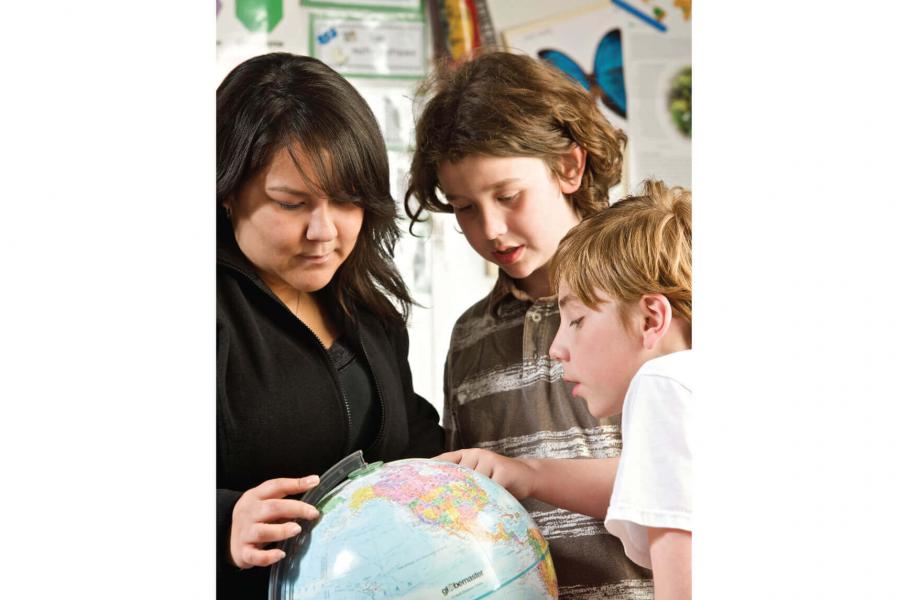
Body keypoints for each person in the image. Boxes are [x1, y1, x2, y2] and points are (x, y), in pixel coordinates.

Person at [405, 50, 653, 597]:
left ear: (569, 166)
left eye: (508, 196)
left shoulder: (656, 300)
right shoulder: (469, 337)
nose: (491, 229)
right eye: (465, 207)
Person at [216, 52, 444, 599]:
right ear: (226, 191)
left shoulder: (369, 310)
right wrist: (222, 520)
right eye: (291, 203)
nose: (323, 232)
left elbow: (412, 443)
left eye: (346, 201)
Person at [441, 182, 693, 599]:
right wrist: (527, 473)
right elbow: (650, 483)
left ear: (651, 318)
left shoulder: (662, 386)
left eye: (575, 320)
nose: (557, 348)